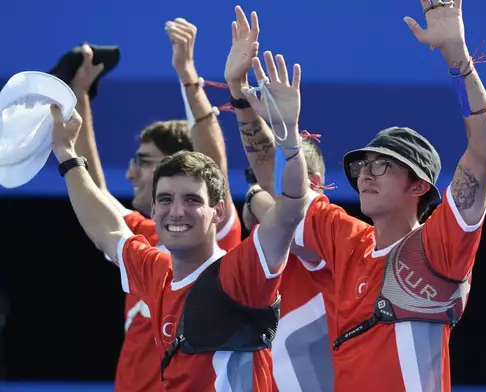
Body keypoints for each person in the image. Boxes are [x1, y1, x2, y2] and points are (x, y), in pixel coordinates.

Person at [240, 0, 486, 390]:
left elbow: (485, 151)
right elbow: (277, 187)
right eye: (362, 165)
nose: (365, 174)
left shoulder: (438, 248)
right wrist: (280, 128)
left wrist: (457, 55)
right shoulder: (347, 241)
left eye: (382, 165)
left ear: (418, 186)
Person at [50, 43, 307, 390]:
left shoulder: (243, 273)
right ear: (154, 209)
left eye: (191, 200)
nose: (177, 211)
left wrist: (288, 140)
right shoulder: (155, 270)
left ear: (218, 211)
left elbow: (291, 209)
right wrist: (66, 153)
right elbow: (104, 227)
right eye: (166, 199)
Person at [67, 19, 241, 391]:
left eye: (144, 162)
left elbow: (213, 164)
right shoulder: (145, 243)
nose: (130, 175)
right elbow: (94, 195)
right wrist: (77, 95)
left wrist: (188, 75)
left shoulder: (217, 236)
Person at [242, 141, 336, 392]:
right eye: (254, 178)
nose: (260, 185)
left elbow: (289, 227)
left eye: (271, 178)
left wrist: (254, 198)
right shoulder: (254, 252)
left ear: (313, 183)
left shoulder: (334, 240)